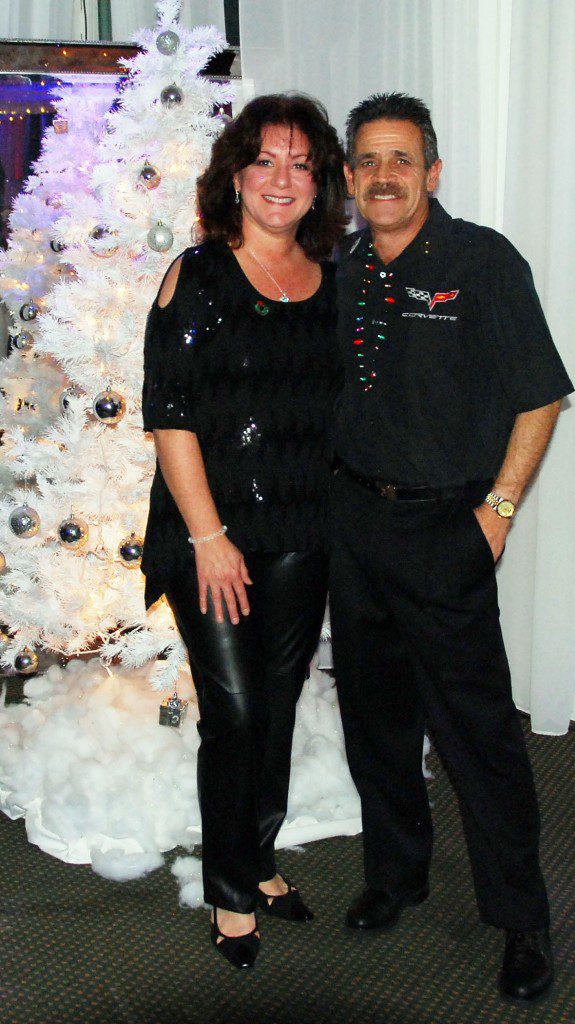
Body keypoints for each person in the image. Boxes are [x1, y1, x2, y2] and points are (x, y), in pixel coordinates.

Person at [329, 93, 574, 1004]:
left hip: (445, 532)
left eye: (400, 158)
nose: (383, 176)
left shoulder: (481, 262)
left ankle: (521, 919)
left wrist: (498, 510)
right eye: (367, 160)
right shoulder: (342, 266)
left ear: (431, 172)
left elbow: (539, 394)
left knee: (478, 737)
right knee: (376, 723)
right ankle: (397, 876)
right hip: (354, 527)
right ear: (348, 178)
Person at [141, 93, 347, 969]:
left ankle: (257, 857)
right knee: (232, 713)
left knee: (276, 702)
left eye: (301, 163)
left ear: (320, 182)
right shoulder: (198, 275)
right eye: (265, 160)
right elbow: (170, 415)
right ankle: (230, 892)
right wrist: (208, 537)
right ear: (235, 176)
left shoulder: (332, 281)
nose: (281, 178)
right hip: (210, 534)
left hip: (302, 528)